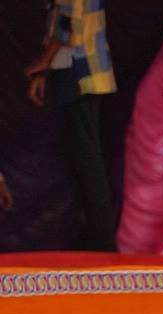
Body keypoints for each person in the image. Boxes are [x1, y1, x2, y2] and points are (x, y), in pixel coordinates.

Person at [25, 0, 118, 251]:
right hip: (72, 70)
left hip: (81, 73)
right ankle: (95, 238)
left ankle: (103, 242)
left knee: (87, 160)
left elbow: (67, 27)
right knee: (80, 159)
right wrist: (45, 70)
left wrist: (43, 62)